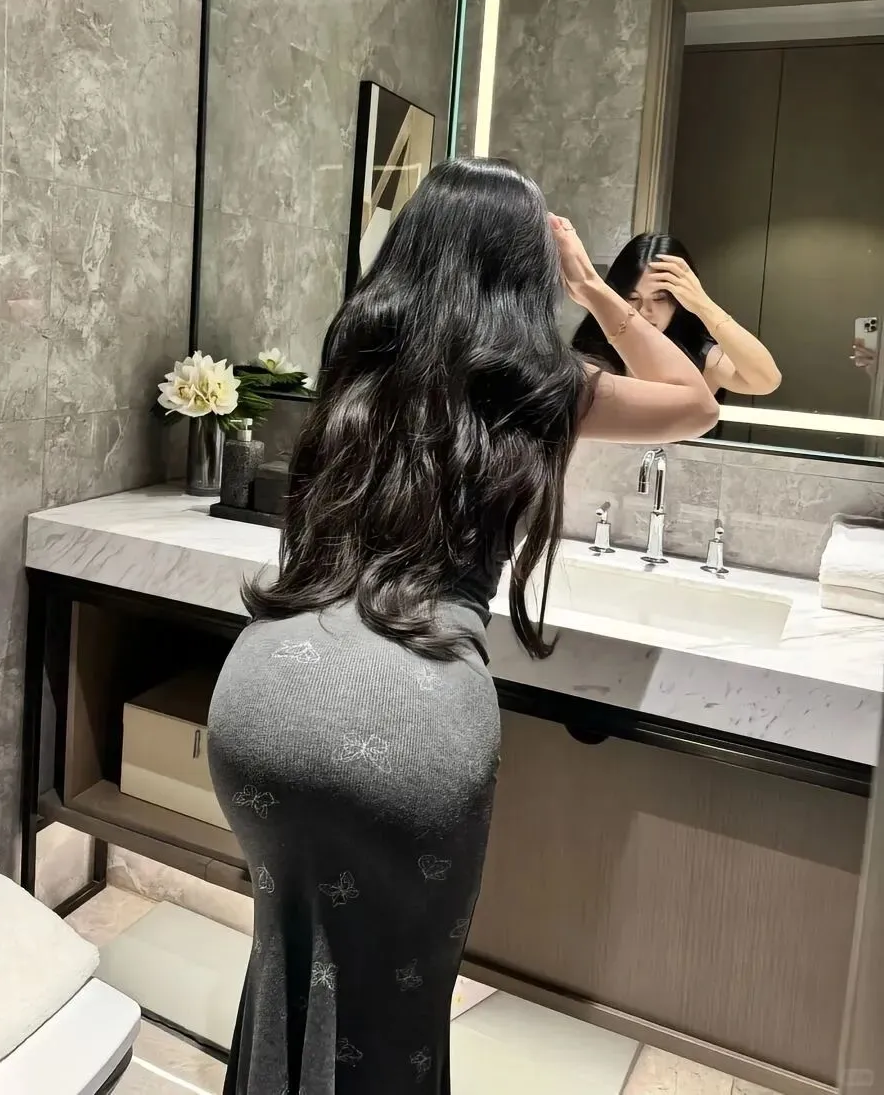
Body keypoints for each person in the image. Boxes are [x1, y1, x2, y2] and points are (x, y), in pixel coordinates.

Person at [207, 160, 719, 1095]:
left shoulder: (360, 348)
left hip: (262, 692)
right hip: (413, 717)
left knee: (285, 960)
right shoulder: (544, 386)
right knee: (397, 1007)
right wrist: (593, 287)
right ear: (527, 271)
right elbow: (695, 400)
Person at [571, 233, 781, 398]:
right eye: (633, 298)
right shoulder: (594, 350)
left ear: (678, 302)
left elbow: (766, 380)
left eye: (660, 298)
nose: (644, 311)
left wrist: (702, 303)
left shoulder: (700, 355)